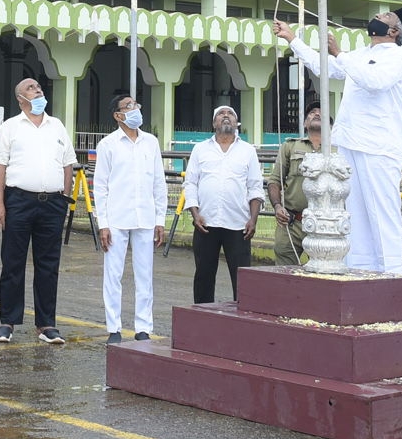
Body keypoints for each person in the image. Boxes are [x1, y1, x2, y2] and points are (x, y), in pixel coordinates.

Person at [273, 8, 402, 273]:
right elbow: (321, 66)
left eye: (385, 17)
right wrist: (292, 38)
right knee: (354, 216)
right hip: (350, 141)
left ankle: (392, 276)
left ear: (394, 31)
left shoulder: (397, 56)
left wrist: (339, 54)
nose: (378, 16)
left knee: (382, 215)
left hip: (379, 145)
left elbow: (375, 81)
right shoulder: (360, 54)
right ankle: (361, 273)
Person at [0, 76, 77, 344]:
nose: (38, 90)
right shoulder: (9, 127)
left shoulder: (57, 125)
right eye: (31, 88)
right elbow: (0, 166)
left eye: (38, 87)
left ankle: (46, 324)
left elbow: (68, 163)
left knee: (49, 264)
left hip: (53, 204)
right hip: (19, 201)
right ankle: (8, 322)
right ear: (20, 99)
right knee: (13, 263)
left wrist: (64, 198)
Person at [94, 93, 168, 343]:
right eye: (128, 106)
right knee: (113, 275)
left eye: (135, 105)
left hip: (145, 218)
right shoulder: (108, 145)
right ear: (118, 115)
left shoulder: (151, 142)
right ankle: (114, 328)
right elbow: (100, 187)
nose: (135, 109)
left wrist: (160, 220)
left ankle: (143, 328)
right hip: (116, 218)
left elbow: (159, 183)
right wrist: (103, 224)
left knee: (144, 275)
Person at [183, 106, 264, 305]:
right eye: (221, 114)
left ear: (237, 123)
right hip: (205, 223)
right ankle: (202, 317)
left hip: (238, 225)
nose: (226, 116)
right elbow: (191, 183)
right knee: (203, 276)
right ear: (214, 123)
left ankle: (242, 318)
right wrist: (195, 214)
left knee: (242, 279)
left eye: (230, 114)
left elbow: (255, 187)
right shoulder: (200, 149)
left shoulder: (248, 151)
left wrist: (253, 220)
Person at [266, 100, 324, 265]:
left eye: (321, 113)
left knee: (323, 271)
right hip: (292, 223)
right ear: (305, 124)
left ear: (331, 126)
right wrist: (277, 206)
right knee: (285, 273)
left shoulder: (337, 149)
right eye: (312, 113)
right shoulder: (290, 146)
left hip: (325, 224)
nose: (317, 114)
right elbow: (275, 180)